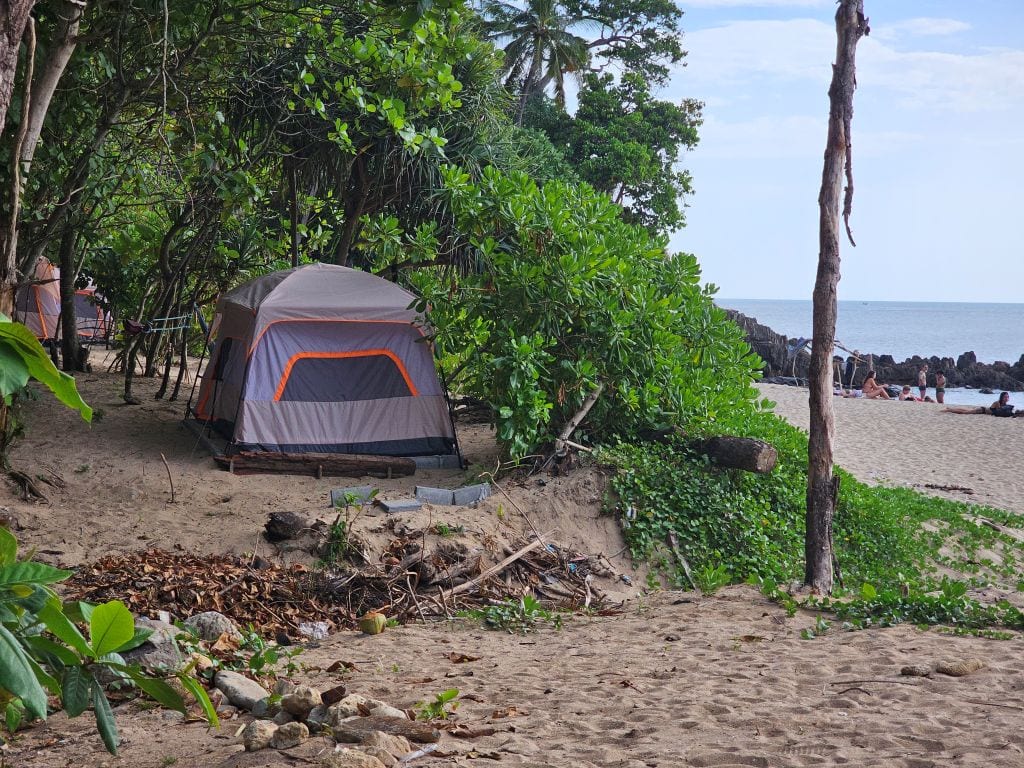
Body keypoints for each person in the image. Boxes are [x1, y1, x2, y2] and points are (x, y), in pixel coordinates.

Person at [943, 391, 1017, 416]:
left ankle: (950, 409)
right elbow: (998, 412)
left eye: (1007, 397)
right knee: (964, 413)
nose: (1006, 398)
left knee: (965, 410)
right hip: (982, 410)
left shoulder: (1005, 405)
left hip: (982, 411)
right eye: (1005, 397)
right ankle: (949, 410)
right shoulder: (997, 403)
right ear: (1002, 397)